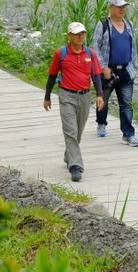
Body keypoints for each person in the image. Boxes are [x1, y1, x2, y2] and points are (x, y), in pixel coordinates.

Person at [43, 22, 105, 182]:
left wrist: (99, 94)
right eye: (77, 34)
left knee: (78, 131)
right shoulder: (61, 53)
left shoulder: (90, 53)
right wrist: (47, 97)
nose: (80, 37)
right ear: (69, 36)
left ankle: (68, 156)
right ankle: (75, 166)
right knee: (70, 131)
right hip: (66, 96)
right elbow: (52, 74)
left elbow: (96, 75)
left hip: (84, 96)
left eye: (82, 34)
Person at [92, 0, 138, 147]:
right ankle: (101, 123)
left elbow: (133, 47)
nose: (122, 9)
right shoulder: (103, 25)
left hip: (126, 70)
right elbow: (95, 47)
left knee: (126, 104)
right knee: (103, 100)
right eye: (119, 7)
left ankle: (128, 135)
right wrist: (103, 67)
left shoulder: (129, 24)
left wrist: (134, 66)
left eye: (124, 7)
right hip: (108, 71)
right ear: (110, 8)